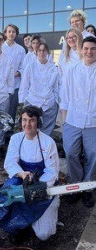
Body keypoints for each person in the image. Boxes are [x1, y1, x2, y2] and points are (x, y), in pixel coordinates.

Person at [0, 105, 60, 241]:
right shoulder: (16, 139)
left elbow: (52, 170)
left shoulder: (48, 142)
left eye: (32, 120)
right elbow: (10, 163)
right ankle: (18, 227)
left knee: (44, 234)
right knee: (8, 193)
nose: (27, 124)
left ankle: (48, 210)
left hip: (43, 182)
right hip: (22, 177)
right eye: (24, 120)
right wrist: (22, 174)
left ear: (38, 122)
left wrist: (39, 184)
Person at [60, 36, 96, 208]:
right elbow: (65, 96)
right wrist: (65, 121)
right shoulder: (72, 70)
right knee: (71, 153)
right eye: (86, 48)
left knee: (93, 156)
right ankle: (76, 186)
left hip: (93, 123)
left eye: (92, 49)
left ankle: (87, 187)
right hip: (73, 120)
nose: (89, 52)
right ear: (81, 50)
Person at [19, 43, 59, 136]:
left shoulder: (53, 68)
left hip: (49, 104)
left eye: (44, 50)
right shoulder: (30, 66)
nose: (42, 52)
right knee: (29, 129)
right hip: (32, 101)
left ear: (48, 52)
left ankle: (44, 149)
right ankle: (30, 149)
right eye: (39, 50)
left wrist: (56, 101)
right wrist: (23, 102)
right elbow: (24, 85)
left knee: (47, 131)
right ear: (36, 52)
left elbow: (56, 86)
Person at [2, 24, 26, 124]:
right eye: (9, 31)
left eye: (13, 32)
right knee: (1, 110)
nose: (11, 34)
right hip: (1, 85)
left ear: (16, 34)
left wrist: (17, 73)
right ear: (5, 33)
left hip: (15, 84)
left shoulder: (21, 49)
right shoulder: (1, 47)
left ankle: (9, 134)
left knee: (12, 110)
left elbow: (23, 66)